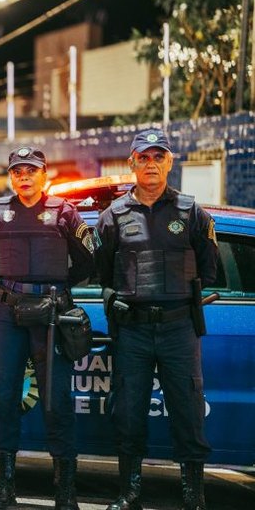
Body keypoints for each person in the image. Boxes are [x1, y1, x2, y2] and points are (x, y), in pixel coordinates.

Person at [95, 129, 218, 510]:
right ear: (132, 163)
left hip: (179, 328)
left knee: (188, 411)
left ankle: (193, 495)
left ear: (170, 161)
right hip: (132, 330)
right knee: (129, 411)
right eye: (143, 158)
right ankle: (129, 492)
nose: (151, 164)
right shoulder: (112, 216)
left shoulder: (192, 212)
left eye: (158, 157)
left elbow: (209, 269)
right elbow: (103, 273)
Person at [0, 147, 95, 510]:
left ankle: (64, 489)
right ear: (11, 176)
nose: (24, 176)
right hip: (7, 312)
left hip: (50, 315)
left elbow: (87, 260)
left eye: (31, 170)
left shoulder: (65, 212)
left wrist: (54, 289)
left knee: (55, 399)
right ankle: (4, 486)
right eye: (17, 171)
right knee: (2, 397)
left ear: (44, 174)